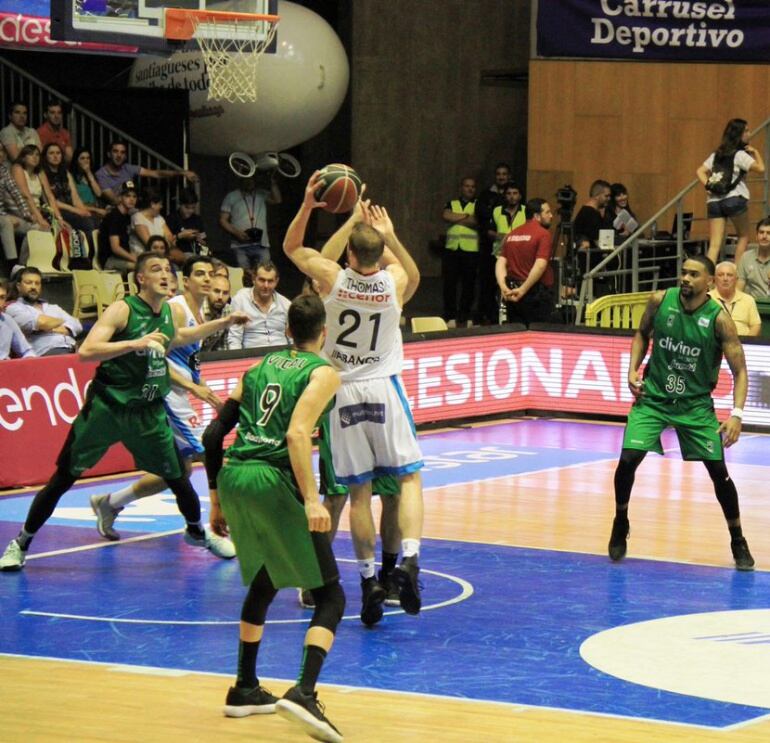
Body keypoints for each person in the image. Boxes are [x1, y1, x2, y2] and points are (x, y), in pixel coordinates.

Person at [0, 252, 248, 572]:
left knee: (179, 475)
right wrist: (135, 343)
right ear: (141, 279)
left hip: (147, 412)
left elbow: (180, 337)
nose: (164, 274)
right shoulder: (124, 309)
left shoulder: (166, 315)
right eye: (155, 269)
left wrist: (224, 322)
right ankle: (20, 542)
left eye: (167, 270)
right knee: (64, 478)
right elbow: (88, 351)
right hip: (108, 408)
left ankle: (197, 533)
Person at [202, 293, 345, 743]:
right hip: (271, 479)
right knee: (331, 596)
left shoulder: (258, 367)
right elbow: (297, 433)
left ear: (286, 332)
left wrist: (216, 500)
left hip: (235, 477)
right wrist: (311, 500)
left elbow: (212, 434)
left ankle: (244, 687)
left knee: (264, 579)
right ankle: (303, 692)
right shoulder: (322, 372)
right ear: (324, 332)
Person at [284, 172, 424, 625]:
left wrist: (316, 208)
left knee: (359, 494)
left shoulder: (332, 280)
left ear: (347, 254)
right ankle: (409, 561)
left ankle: (368, 579)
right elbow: (413, 271)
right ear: (379, 254)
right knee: (407, 482)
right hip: (384, 387)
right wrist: (392, 237)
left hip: (341, 393)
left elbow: (296, 250)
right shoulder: (393, 283)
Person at [608, 255, 754, 571]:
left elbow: (740, 371)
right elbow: (641, 334)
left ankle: (738, 539)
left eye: (693, 274)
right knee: (627, 461)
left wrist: (737, 414)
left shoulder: (719, 318)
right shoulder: (660, 300)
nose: (685, 278)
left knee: (719, 472)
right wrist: (632, 369)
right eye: (683, 273)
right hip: (654, 400)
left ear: (710, 282)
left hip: (695, 406)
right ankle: (621, 520)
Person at [90, 256, 235, 558]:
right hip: (165, 394)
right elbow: (156, 358)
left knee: (178, 469)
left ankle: (110, 502)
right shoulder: (177, 310)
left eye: (210, 273)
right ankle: (210, 527)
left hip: (180, 394)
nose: (207, 279)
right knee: (207, 451)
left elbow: (186, 351)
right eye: (199, 274)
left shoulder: (199, 310)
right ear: (185, 280)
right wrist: (194, 386)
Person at [697, 118, 765, 265]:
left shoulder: (717, 154)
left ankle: (707, 276)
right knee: (743, 236)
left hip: (714, 201)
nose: (749, 133)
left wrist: (709, 186)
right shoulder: (740, 155)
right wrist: (756, 152)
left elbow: (700, 171)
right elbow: (761, 168)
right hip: (734, 198)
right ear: (739, 134)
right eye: (746, 131)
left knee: (714, 244)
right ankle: (736, 272)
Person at [495, 197, 556, 327]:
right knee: (539, 335)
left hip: (512, 294)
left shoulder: (512, 234)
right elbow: (540, 265)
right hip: (536, 295)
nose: (551, 216)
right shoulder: (543, 234)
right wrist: (523, 290)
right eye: (547, 212)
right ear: (537, 216)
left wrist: (504, 288)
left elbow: (500, 262)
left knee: (517, 334)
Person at [95, 140, 198, 207]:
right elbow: (113, 200)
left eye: (122, 152)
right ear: (109, 154)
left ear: (125, 156)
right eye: (115, 151)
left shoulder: (128, 168)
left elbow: (156, 174)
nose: (119, 155)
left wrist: (182, 173)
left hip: (130, 208)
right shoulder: (101, 174)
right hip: (113, 210)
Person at [6, 267, 82, 356]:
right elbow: (42, 323)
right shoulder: (14, 308)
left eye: (37, 283)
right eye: (29, 283)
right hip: (46, 351)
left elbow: (77, 324)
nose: (33, 287)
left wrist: (49, 328)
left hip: (72, 347)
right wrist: (61, 321)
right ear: (19, 286)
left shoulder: (53, 307)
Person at [475, 163, 512, 325]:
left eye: (504, 174)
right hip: (489, 247)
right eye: (499, 174)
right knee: (487, 284)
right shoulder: (486, 195)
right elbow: (482, 218)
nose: (501, 177)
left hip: (511, 250)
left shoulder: (514, 195)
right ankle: (488, 315)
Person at [219, 175, 281, 270]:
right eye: (247, 179)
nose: (249, 182)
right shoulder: (231, 196)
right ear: (241, 179)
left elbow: (277, 200)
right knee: (243, 276)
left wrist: (273, 183)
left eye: (252, 179)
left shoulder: (261, 194)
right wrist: (237, 233)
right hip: (239, 245)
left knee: (264, 272)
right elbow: (223, 220)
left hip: (262, 244)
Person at [227, 260, 290, 350]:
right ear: (253, 279)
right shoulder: (240, 299)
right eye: (262, 280)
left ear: (276, 281)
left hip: (281, 357)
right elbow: (235, 339)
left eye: (270, 281)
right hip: (252, 357)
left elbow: (292, 340)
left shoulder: (286, 304)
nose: (266, 285)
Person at [441, 176, 478, 328]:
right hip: (452, 249)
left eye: (472, 186)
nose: (470, 189)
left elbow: (476, 221)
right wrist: (466, 217)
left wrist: (456, 218)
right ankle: (450, 315)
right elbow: (445, 215)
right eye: (467, 186)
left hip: (471, 250)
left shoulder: (478, 204)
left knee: (468, 285)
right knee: (449, 284)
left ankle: (464, 314)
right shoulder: (452, 203)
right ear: (461, 188)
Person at [41, 142, 97, 242]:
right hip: (56, 210)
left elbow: (75, 196)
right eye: (51, 153)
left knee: (94, 219)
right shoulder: (42, 172)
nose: (55, 156)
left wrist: (84, 210)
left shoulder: (65, 172)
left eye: (58, 153)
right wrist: (76, 210)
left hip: (70, 208)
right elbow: (52, 200)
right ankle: (88, 254)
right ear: (45, 156)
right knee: (87, 223)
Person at [11, 144, 65, 232]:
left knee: (65, 229)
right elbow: (26, 196)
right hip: (23, 210)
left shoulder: (40, 172)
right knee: (46, 230)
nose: (35, 157)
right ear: (23, 157)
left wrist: (59, 218)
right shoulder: (17, 168)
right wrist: (40, 219)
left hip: (38, 210)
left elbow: (50, 196)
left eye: (37, 154)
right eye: (31, 154)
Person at [709, 261, 761, 337]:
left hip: (743, 344)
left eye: (729, 275)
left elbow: (756, 325)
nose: (725, 278)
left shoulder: (748, 299)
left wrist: (746, 343)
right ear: (715, 279)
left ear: (736, 279)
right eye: (721, 275)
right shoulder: (707, 298)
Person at [97, 180, 138, 273]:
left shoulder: (127, 217)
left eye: (134, 196)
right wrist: (134, 258)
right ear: (120, 197)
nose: (131, 199)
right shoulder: (113, 217)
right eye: (127, 196)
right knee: (141, 268)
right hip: (110, 260)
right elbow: (115, 248)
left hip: (122, 259)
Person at [166, 187, 207, 260]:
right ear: (180, 204)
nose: (190, 211)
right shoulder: (172, 219)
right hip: (177, 255)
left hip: (197, 254)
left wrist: (198, 238)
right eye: (187, 208)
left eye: (193, 208)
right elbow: (166, 242)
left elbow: (205, 243)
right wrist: (181, 236)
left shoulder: (197, 219)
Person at [488, 182, 526, 257]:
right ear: (505, 196)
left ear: (520, 196)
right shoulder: (497, 210)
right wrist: (503, 236)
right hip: (500, 254)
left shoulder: (526, 211)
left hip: (519, 255)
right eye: (509, 193)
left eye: (515, 193)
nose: (512, 196)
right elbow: (490, 231)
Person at [0, 278, 34, 360]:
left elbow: (26, 350)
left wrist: (29, 358)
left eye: (2, 297)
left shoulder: (7, 320)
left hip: (5, 369)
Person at [737, 217, 770, 300]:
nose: (764, 236)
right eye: (761, 232)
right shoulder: (746, 257)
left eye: (769, 233)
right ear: (756, 236)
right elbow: (739, 287)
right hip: (753, 306)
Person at [70, 147, 107, 220]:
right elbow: (74, 203)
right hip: (83, 209)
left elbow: (98, 193)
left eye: (88, 158)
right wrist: (97, 210)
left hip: (95, 208)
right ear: (76, 161)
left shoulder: (91, 175)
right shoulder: (71, 177)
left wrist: (88, 172)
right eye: (82, 158)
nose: (86, 161)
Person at [572, 180, 612, 248]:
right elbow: (597, 240)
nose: (609, 199)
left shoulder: (589, 212)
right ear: (596, 195)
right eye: (606, 196)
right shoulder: (590, 214)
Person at [200, 273, 231, 352]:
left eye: (225, 293)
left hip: (209, 359)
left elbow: (223, 347)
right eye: (216, 291)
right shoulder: (198, 309)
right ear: (208, 291)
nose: (220, 297)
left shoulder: (228, 311)